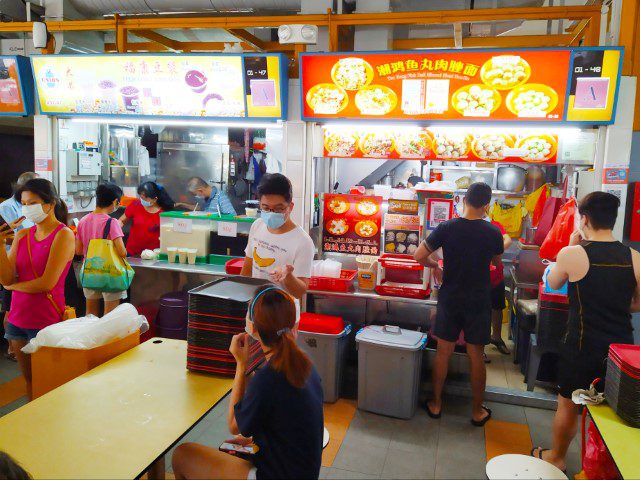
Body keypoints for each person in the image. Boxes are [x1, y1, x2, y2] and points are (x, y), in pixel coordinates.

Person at [531, 192, 640, 472]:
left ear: (585, 218)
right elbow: (637, 304)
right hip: (620, 351)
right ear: (613, 220)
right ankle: (603, 467)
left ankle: (556, 457)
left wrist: (569, 245)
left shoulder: (573, 253)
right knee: (612, 412)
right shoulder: (635, 257)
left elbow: (554, 282)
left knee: (568, 404)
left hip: (581, 346)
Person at [172, 286, 324, 479]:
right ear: (294, 325)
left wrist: (241, 365)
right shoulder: (306, 365)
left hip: (273, 475)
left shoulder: (267, 378)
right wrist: (256, 439)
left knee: (182, 455)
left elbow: (234, 425)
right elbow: (288, 420)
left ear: (251, 327)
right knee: (233, 447)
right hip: (304, 472)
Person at [414, 182, 503, 426]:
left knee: (444, 351)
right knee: (476, 354)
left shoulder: (447, 227)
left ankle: (435, 403)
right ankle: (476, 411)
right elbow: (497, 262)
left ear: (463, 200)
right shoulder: (492, 232)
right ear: (486, 205)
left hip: (451, 296)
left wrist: (436, 266)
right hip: (478, 299)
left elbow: (419, 256)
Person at [0, 179, 74, 400]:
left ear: (50, 203)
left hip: (46, 319)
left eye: (32, 202)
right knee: (30, 380)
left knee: (51, 382)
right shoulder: (22, 235)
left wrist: (12, 286)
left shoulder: (63, 234)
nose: (26, 208)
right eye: (23, 203)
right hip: (17, 320)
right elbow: (6, 276)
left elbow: (46, 283)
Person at [240, 174, 315, 321]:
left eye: (279, 209)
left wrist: (288, 277)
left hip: (283, 316)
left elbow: (300, 291)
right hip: (255, 308)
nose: (271, 214)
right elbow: (248, 267)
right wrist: (243, 301)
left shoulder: (303, 242)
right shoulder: (257, 226)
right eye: (266, 208)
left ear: (290, 207)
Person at [0, 172, 38, 361]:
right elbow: (6, 235)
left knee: (20, 306)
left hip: (29, 262)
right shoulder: (6, 207)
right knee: (10, 307)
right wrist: (26, 239)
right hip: (9, 263)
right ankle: (12, 347)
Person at [76, 183, 127, 317]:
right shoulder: (112, 222)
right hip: (109, 271)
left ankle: (89, 338)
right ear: (115, 201)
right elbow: (122, 252)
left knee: (90, 314)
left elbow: (79, 250)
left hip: (89, 270)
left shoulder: (83, 220)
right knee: (109, 316)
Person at [119, 181, 174, 257]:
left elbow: (169, 233)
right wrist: (116, 228)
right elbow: (121, 220)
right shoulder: (136, 204)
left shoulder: (165, 212)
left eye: (144, 198)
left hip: (154, 254)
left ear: (155, 199)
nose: (141, 200)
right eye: (140, 197)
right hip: (132, 252)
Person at [488, 217, 512, 355]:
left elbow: (507, 240)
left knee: (497, 306)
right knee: (482, 310)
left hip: (496, 275)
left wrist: (495, 249)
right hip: (479, 277)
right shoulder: (470, 223)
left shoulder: (495, 225)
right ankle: (480, 345)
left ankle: (496, 337)